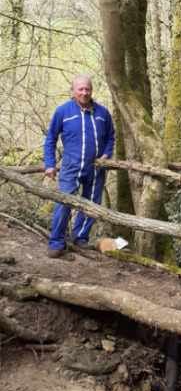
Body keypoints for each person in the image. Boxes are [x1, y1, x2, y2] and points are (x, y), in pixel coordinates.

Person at [44, 74, 115, 257]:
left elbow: (110, 137)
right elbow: (51, 138)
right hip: (71, 166)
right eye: (80, 89)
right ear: (73, 91)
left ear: (91, 90)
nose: (84, 92)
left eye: (87, 89)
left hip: (96, 168)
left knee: (91, 205)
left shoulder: (102, 113)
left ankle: (80, 237)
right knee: (64, 203)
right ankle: (56, 242)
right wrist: (50, 164)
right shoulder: (63, 112)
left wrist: (107, 154)